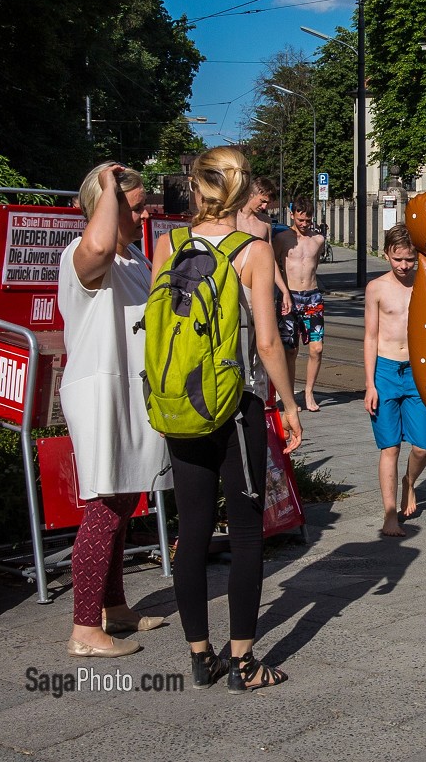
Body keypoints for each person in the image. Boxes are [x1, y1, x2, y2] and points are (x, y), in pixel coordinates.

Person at [150, 147, 302, 691]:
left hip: (179, 406)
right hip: (237, 406)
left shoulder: (166, 245)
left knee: (190, 532)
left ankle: (199, 657)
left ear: (196, 188)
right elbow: (265, 340)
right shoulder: (253, 252)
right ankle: (243, 663)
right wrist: (287, 403)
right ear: (238, 193)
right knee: (244, 534)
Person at [57, 162, 171, 658]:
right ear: (105, 206)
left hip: (129, 390)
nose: (145, 212)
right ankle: (85, 628)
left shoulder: (132, 259)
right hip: (100, 393)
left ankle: (114, 606)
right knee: (105, 506)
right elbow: (98, 246)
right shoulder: (82, 255)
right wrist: (107, 183)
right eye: (135, 205)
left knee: (124, 503)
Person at [363, 224, 426, 538]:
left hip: (416, 371)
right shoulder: (376, 288)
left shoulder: (425, 284)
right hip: (385, 371)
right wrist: (370, 384)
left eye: (409, 259)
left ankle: (409, 481)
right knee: (390, 447)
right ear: (386, 255)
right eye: (397, 259)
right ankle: (389, 515)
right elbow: (370, 336)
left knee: (423, 446)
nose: (404, 266)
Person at [274, 196, 326, 411]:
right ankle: (290, 395)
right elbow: (272, 264)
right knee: (290, 350)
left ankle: (308, 392)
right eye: (300, 220)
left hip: (312, 297)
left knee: (317, 348)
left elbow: (314, 265)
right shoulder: (283, 238)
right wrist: (283, 290)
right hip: (290, 298)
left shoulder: (318, 240)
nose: (304, 224)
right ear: (292, 215)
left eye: (308, 220)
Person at [239, 176, 292, 319]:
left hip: (259, 286)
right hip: (235, 285)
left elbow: (270, 259)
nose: (264, 207)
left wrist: (284, 290)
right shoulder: (232, 218)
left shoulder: (265, 223)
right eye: (262, 201)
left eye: (267, 203)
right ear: (252, 194)